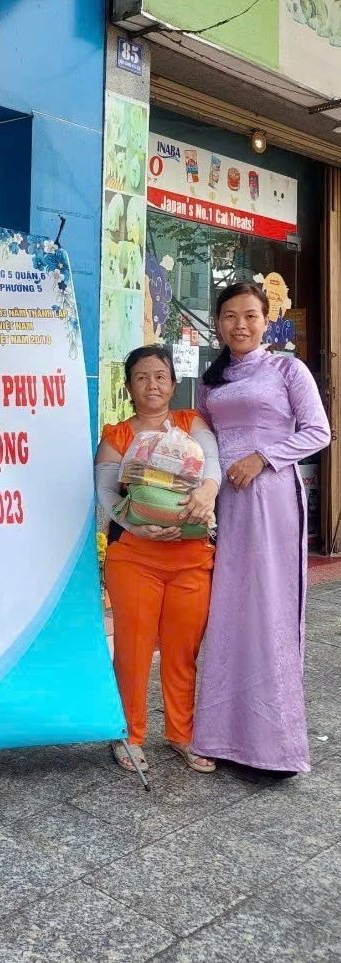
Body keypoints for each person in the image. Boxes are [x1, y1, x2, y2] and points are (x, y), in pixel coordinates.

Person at [192, 282, 330, 775]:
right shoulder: (213, 380)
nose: (240, 325)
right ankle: (219, 735)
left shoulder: (288, 370)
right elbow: (202, 434)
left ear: (267, 320)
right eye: (230, 316)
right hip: (222, 501)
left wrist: (263, 458)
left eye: (250, 315)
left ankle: (273, 747)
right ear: (219, 322)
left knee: (268, 607)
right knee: (227, 608)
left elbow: (318, 431)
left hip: (270, 498)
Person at [95, 346, 220, 774]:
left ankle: (182, 735)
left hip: (190, 557)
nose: (153, 384)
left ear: (173, 382)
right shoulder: (117, 436)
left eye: (161, 376)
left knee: (183, 651)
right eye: (143, 377)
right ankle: (128, 735)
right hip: (135, 559)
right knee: (132, 649)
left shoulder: (191, 424)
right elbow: (107, 495)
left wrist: (207, 492)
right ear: (129, 386)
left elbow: (213, 468)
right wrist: (136, 525)